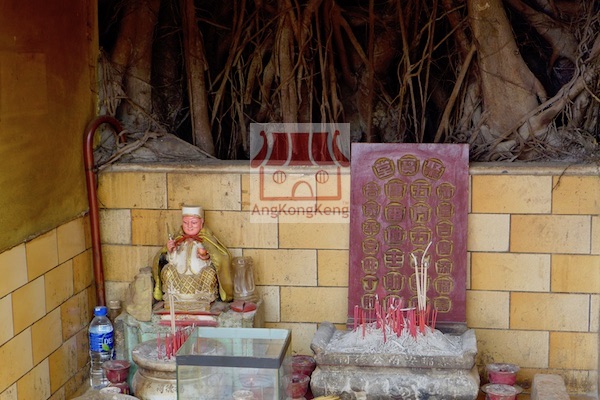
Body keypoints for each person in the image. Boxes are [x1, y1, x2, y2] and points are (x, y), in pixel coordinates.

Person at [154, 206, 233, 311]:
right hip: (179, 282)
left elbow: (218, 259)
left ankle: (204, 299)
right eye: (185, 223)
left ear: (202, 222)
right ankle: (173, 298)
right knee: (167, 270)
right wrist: (172, 251)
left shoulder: (207, 241)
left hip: (199, 283)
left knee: (210, 273)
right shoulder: (179, 240)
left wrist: (207, 257)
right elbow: (172, 261)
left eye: (194, 223)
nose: (189, 226)